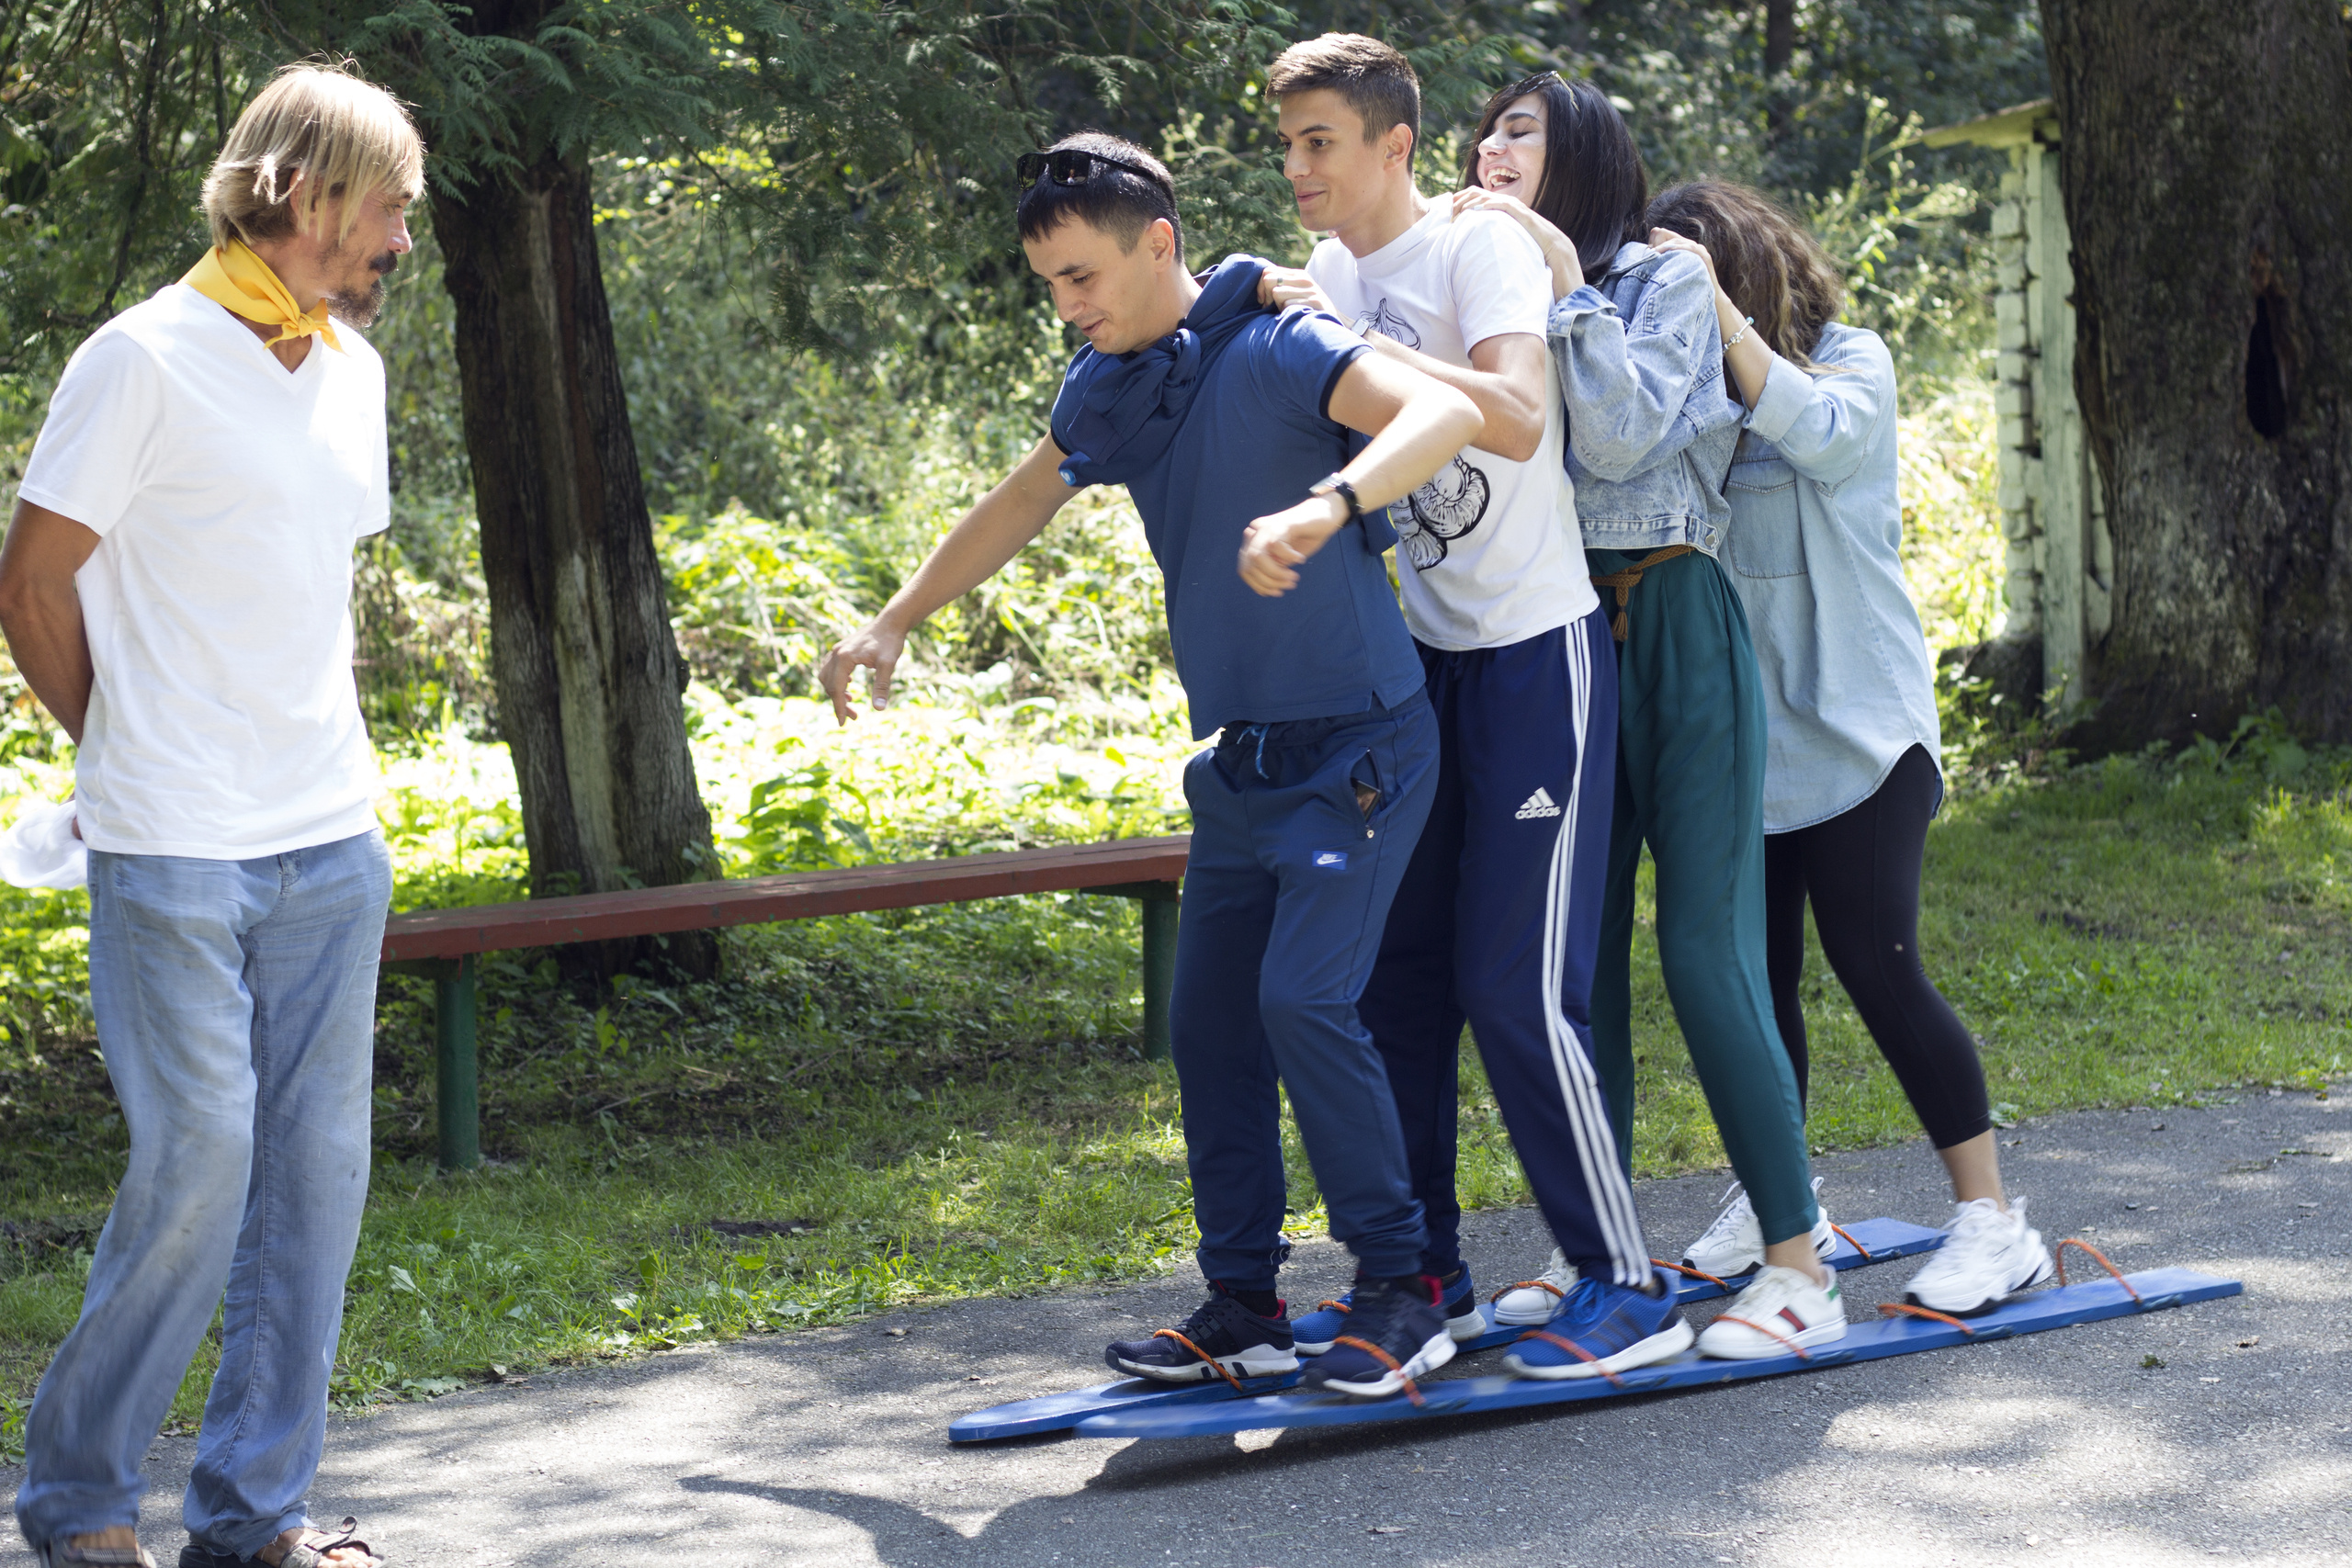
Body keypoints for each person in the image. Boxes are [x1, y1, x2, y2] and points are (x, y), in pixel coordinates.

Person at [819, 134, 1487, 1399]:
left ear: (1158, 244)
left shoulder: (1283, 346)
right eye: (1052, 286)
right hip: (1242, 765)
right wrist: (893, 618)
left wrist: (1327, 504)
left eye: (1082, 277)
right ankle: (1245, 1302)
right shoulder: (1114, 388)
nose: (1069, 307)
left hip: (1361, 747)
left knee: (1304, 1001)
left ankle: (1405, 1284)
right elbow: (1020, 500)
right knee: (1210, 1022)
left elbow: (1447, 411)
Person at [0, 62, 417, 1568]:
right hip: (173, 843)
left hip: (328, 843)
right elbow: (32, 583)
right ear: (302, 186)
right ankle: (77, 1498)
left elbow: (298, 599)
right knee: (199, 1172)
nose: (402, 238)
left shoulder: (354, 374)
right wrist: (128, 751)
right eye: (389, 203)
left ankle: (253, 1517)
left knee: (315, 1186)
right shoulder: (143, 359)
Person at [1253, 34, 1688, 1382]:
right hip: (1413, 673)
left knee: (1518, 988)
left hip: (1531, 653)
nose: (1298, 168)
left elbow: (1509, 416)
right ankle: (1425, 1274)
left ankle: (1624, 1277)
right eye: (1286, 144)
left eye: (1321, 140)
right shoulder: (1330, 274)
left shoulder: (1474, 248)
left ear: (1393, 143)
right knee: (1399, 984)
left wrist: (1354, 388)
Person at [1454, 73, 1845, 1361]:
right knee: (1575, 971)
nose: (1493, 145)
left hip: (1676, 612)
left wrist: (1567, 277)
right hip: (1555, 638)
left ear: (1584, 154)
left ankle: (1798, 1258)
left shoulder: (1660, 280)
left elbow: (1618, 443)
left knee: (1703, 951)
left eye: (1522, 126)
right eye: (1487, 128)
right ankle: (1601, 1256)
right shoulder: (1485, 287)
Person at [1646, 178, 2055, 1314]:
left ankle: (1992, 1221)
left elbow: (1823, 441)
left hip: (1865, 734)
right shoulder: (1690, 401)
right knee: (1754, 981)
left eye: (1699, 280)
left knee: (1875, 965)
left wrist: (1715, 318)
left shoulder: (1848, 362)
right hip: (1745, 745)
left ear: (1746, 268)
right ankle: (1783, 1200)